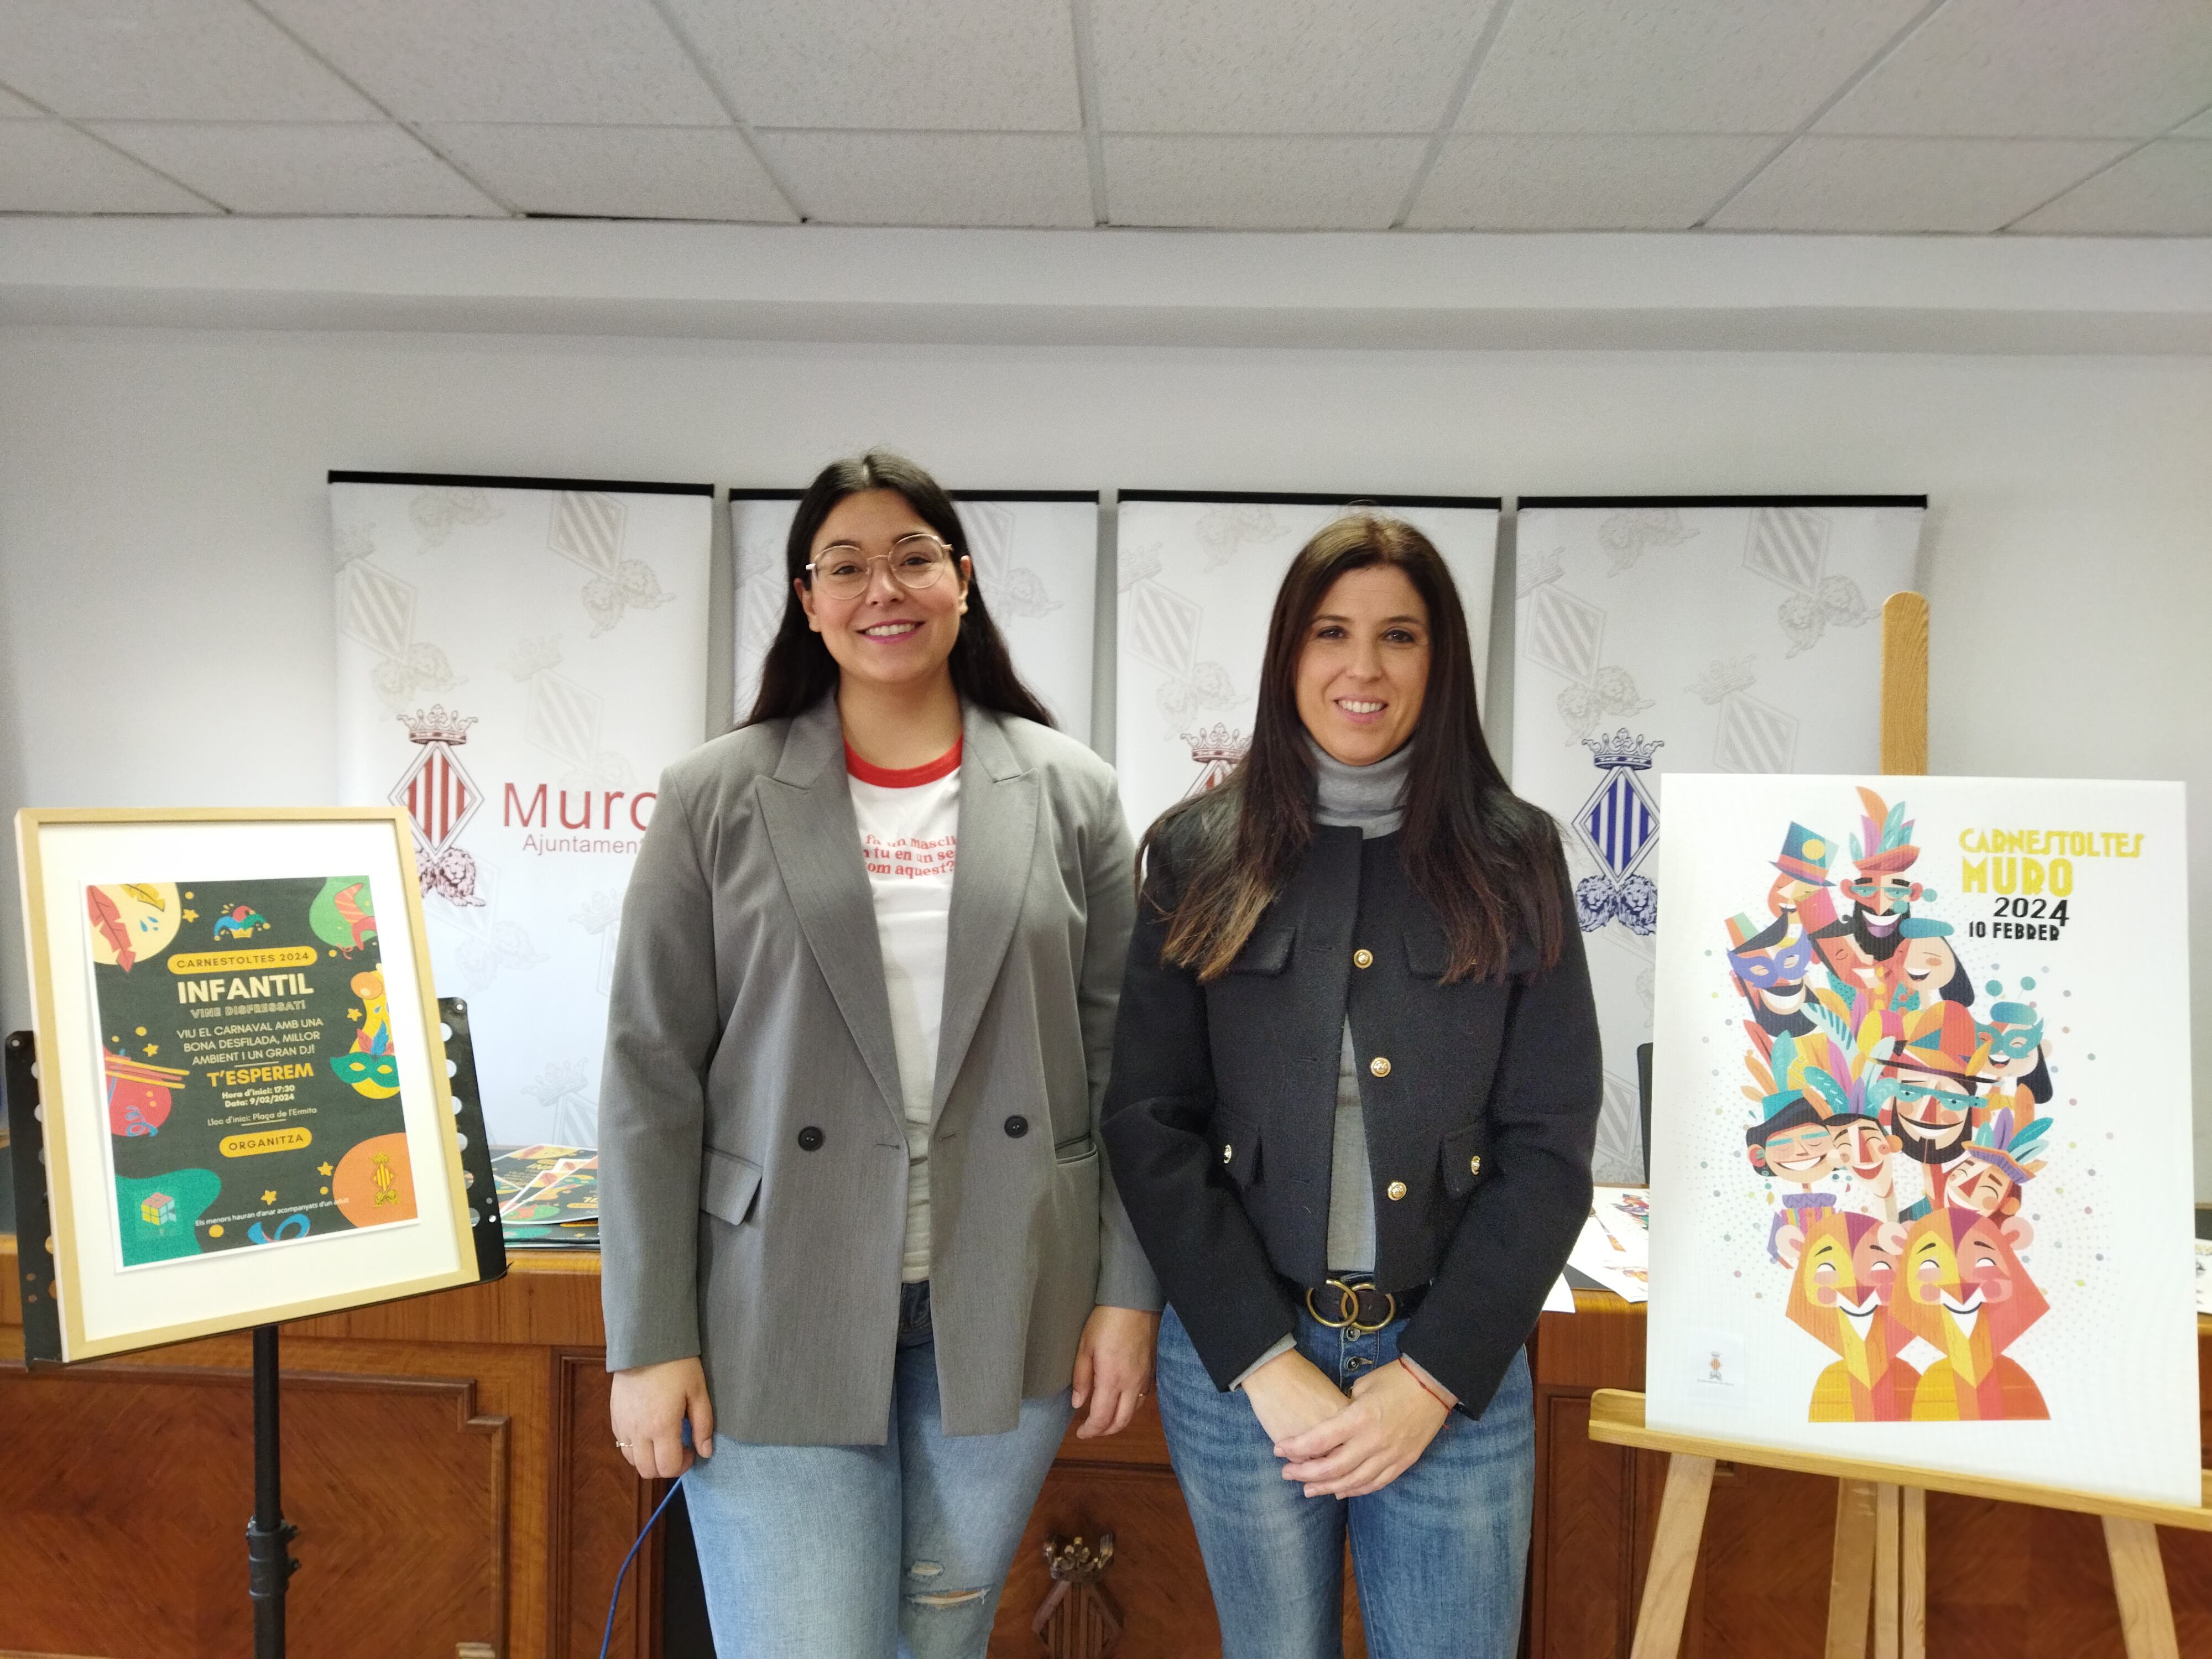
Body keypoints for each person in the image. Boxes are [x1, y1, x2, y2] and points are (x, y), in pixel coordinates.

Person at [598, 451, 1161, 1659]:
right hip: (771, 1299)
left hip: (1010, 1290)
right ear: (806, 600)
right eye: (842, 565)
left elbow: (1130, 1071)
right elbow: (650, 1077)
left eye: (911, 556)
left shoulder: (1073, 793)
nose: (881, 588)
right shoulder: (715, 796)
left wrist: (1124, 1295)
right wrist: (646, 1340)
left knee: (938, 1639)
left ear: (961, 580)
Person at [1101, 514, 1601, 1659]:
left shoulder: (1513, 858)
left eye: (1397, 637)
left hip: (1449, 1367)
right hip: (1244, 1367)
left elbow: (1546, 1142)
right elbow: (1148, 1124)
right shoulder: (1196, 852)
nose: (1361, 668)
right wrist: (1262, 1363)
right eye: (1330, 633)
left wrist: (1427, 1380)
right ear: (1288, 656)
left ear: (1441, 662)